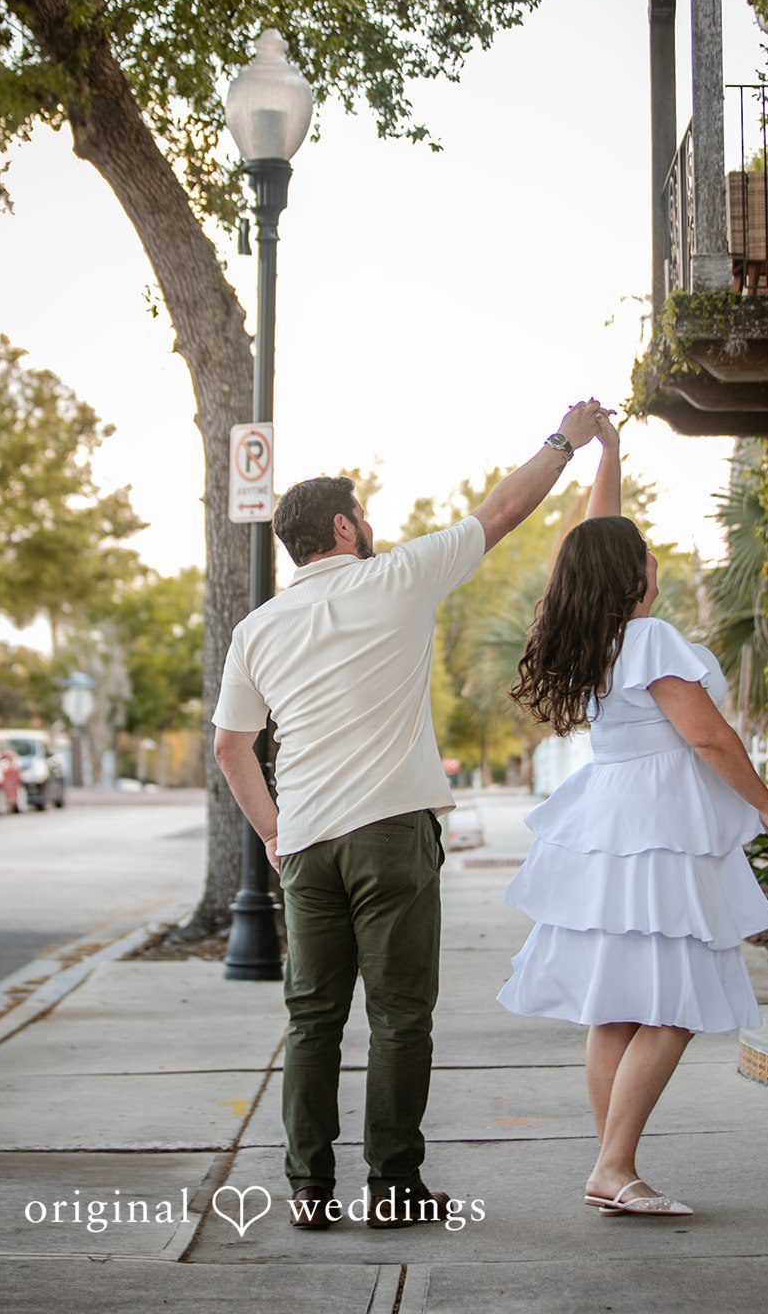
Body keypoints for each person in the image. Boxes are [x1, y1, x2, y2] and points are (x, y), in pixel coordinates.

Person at [211, 398, 608, 1230]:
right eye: (365, 515)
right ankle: (393, 1189)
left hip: (308, 846)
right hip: (391, 836)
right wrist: (564, 440)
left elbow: (231, 750)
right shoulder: (396, 577)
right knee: (399, 1019)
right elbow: (503, 510)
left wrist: (277, 835)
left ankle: (308, 1193)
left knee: (311, 1020)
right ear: (347, 529)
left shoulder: (255, 629)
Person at [497, 410, 768, 1218]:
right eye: (644, 555)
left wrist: (610, 453)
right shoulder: (651, 636)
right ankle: (614, 1163)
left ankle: (612, 1167)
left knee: (622, 1006)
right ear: (635, 575)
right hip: (658, 827)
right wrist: (765, 805)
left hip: (612, 822)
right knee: (674, 1002)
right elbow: (708, 737)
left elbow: (590, 537)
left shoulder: (585, 637)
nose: (653, 559)